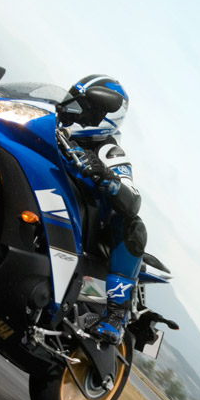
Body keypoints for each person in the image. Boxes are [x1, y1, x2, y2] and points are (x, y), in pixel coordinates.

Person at [62, 75, 146, 345]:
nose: (76, 110)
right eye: (76, 102)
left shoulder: (109, 151)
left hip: (88, 226)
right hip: (53, 206)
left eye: (86, 106)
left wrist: (107, 177)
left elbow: (132, 199)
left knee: (133, 225)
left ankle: (116, 316)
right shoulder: (56, 127)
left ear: (104, 114)